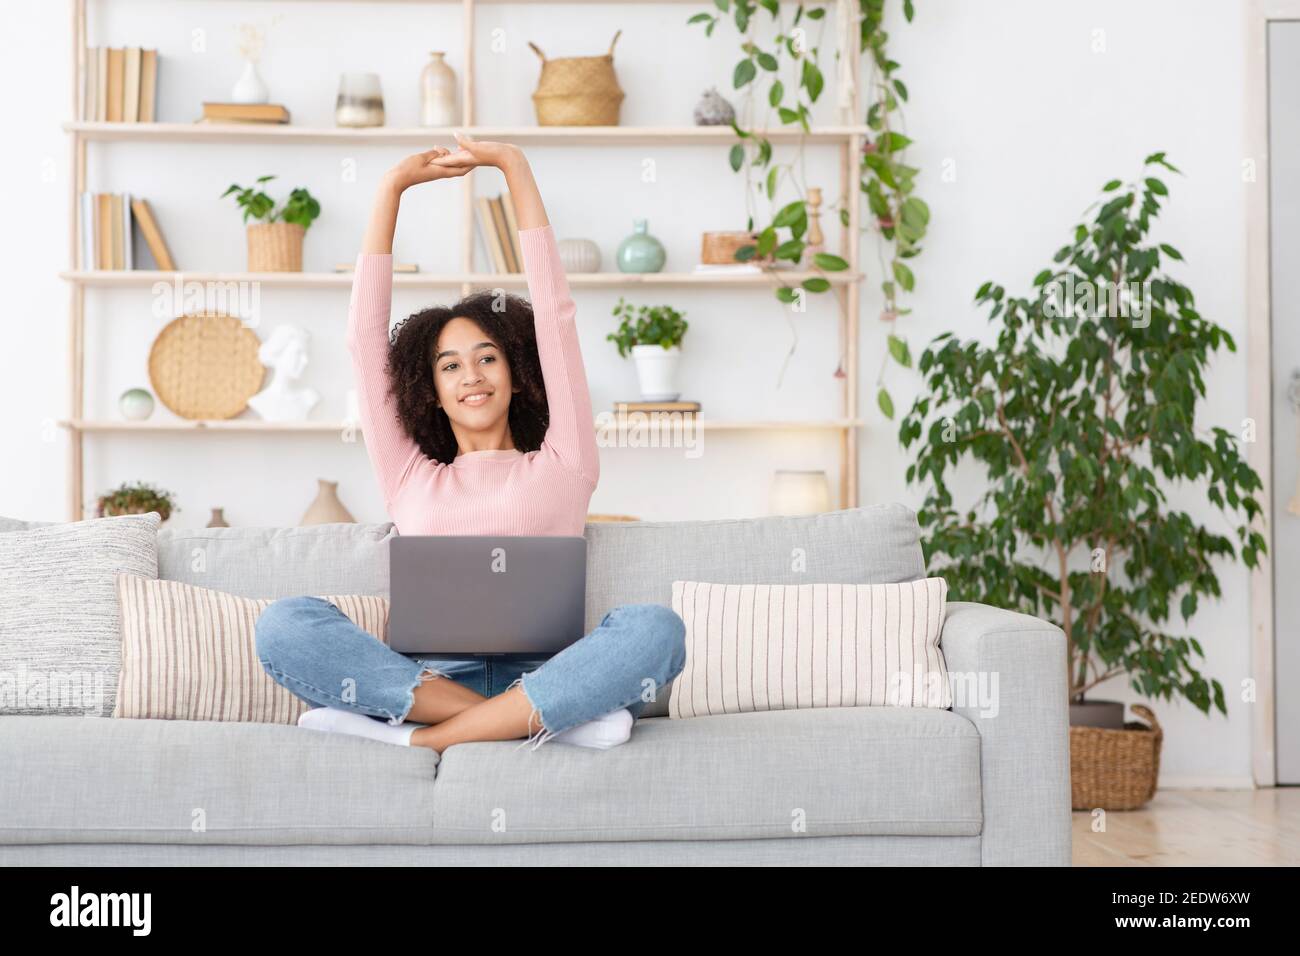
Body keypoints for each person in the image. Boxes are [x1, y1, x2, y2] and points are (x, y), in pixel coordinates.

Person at [255, 132, 686, 754]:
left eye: (487, 358)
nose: (472, 376)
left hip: (548, 674)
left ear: (515, 371)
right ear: (429, 390)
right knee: (285, 624)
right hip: (427, 681)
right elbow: (362, 340)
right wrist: (390, 190)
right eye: (450, 366)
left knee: (656, 627)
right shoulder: (409, 473)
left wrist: (514, 166)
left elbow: (556, 318)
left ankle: (428, 740)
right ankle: (534, 724)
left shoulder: (565, 463)